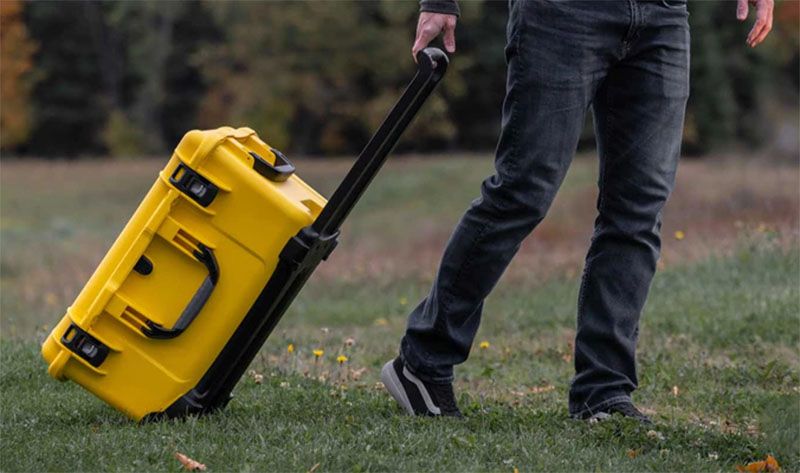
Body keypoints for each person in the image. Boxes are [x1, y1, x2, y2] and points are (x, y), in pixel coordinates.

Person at [380, 0, 774, 422]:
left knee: (637, 212)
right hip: (562, 14)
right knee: (522, 190)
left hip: (663, 18)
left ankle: (602, 392)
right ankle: (423, 360)